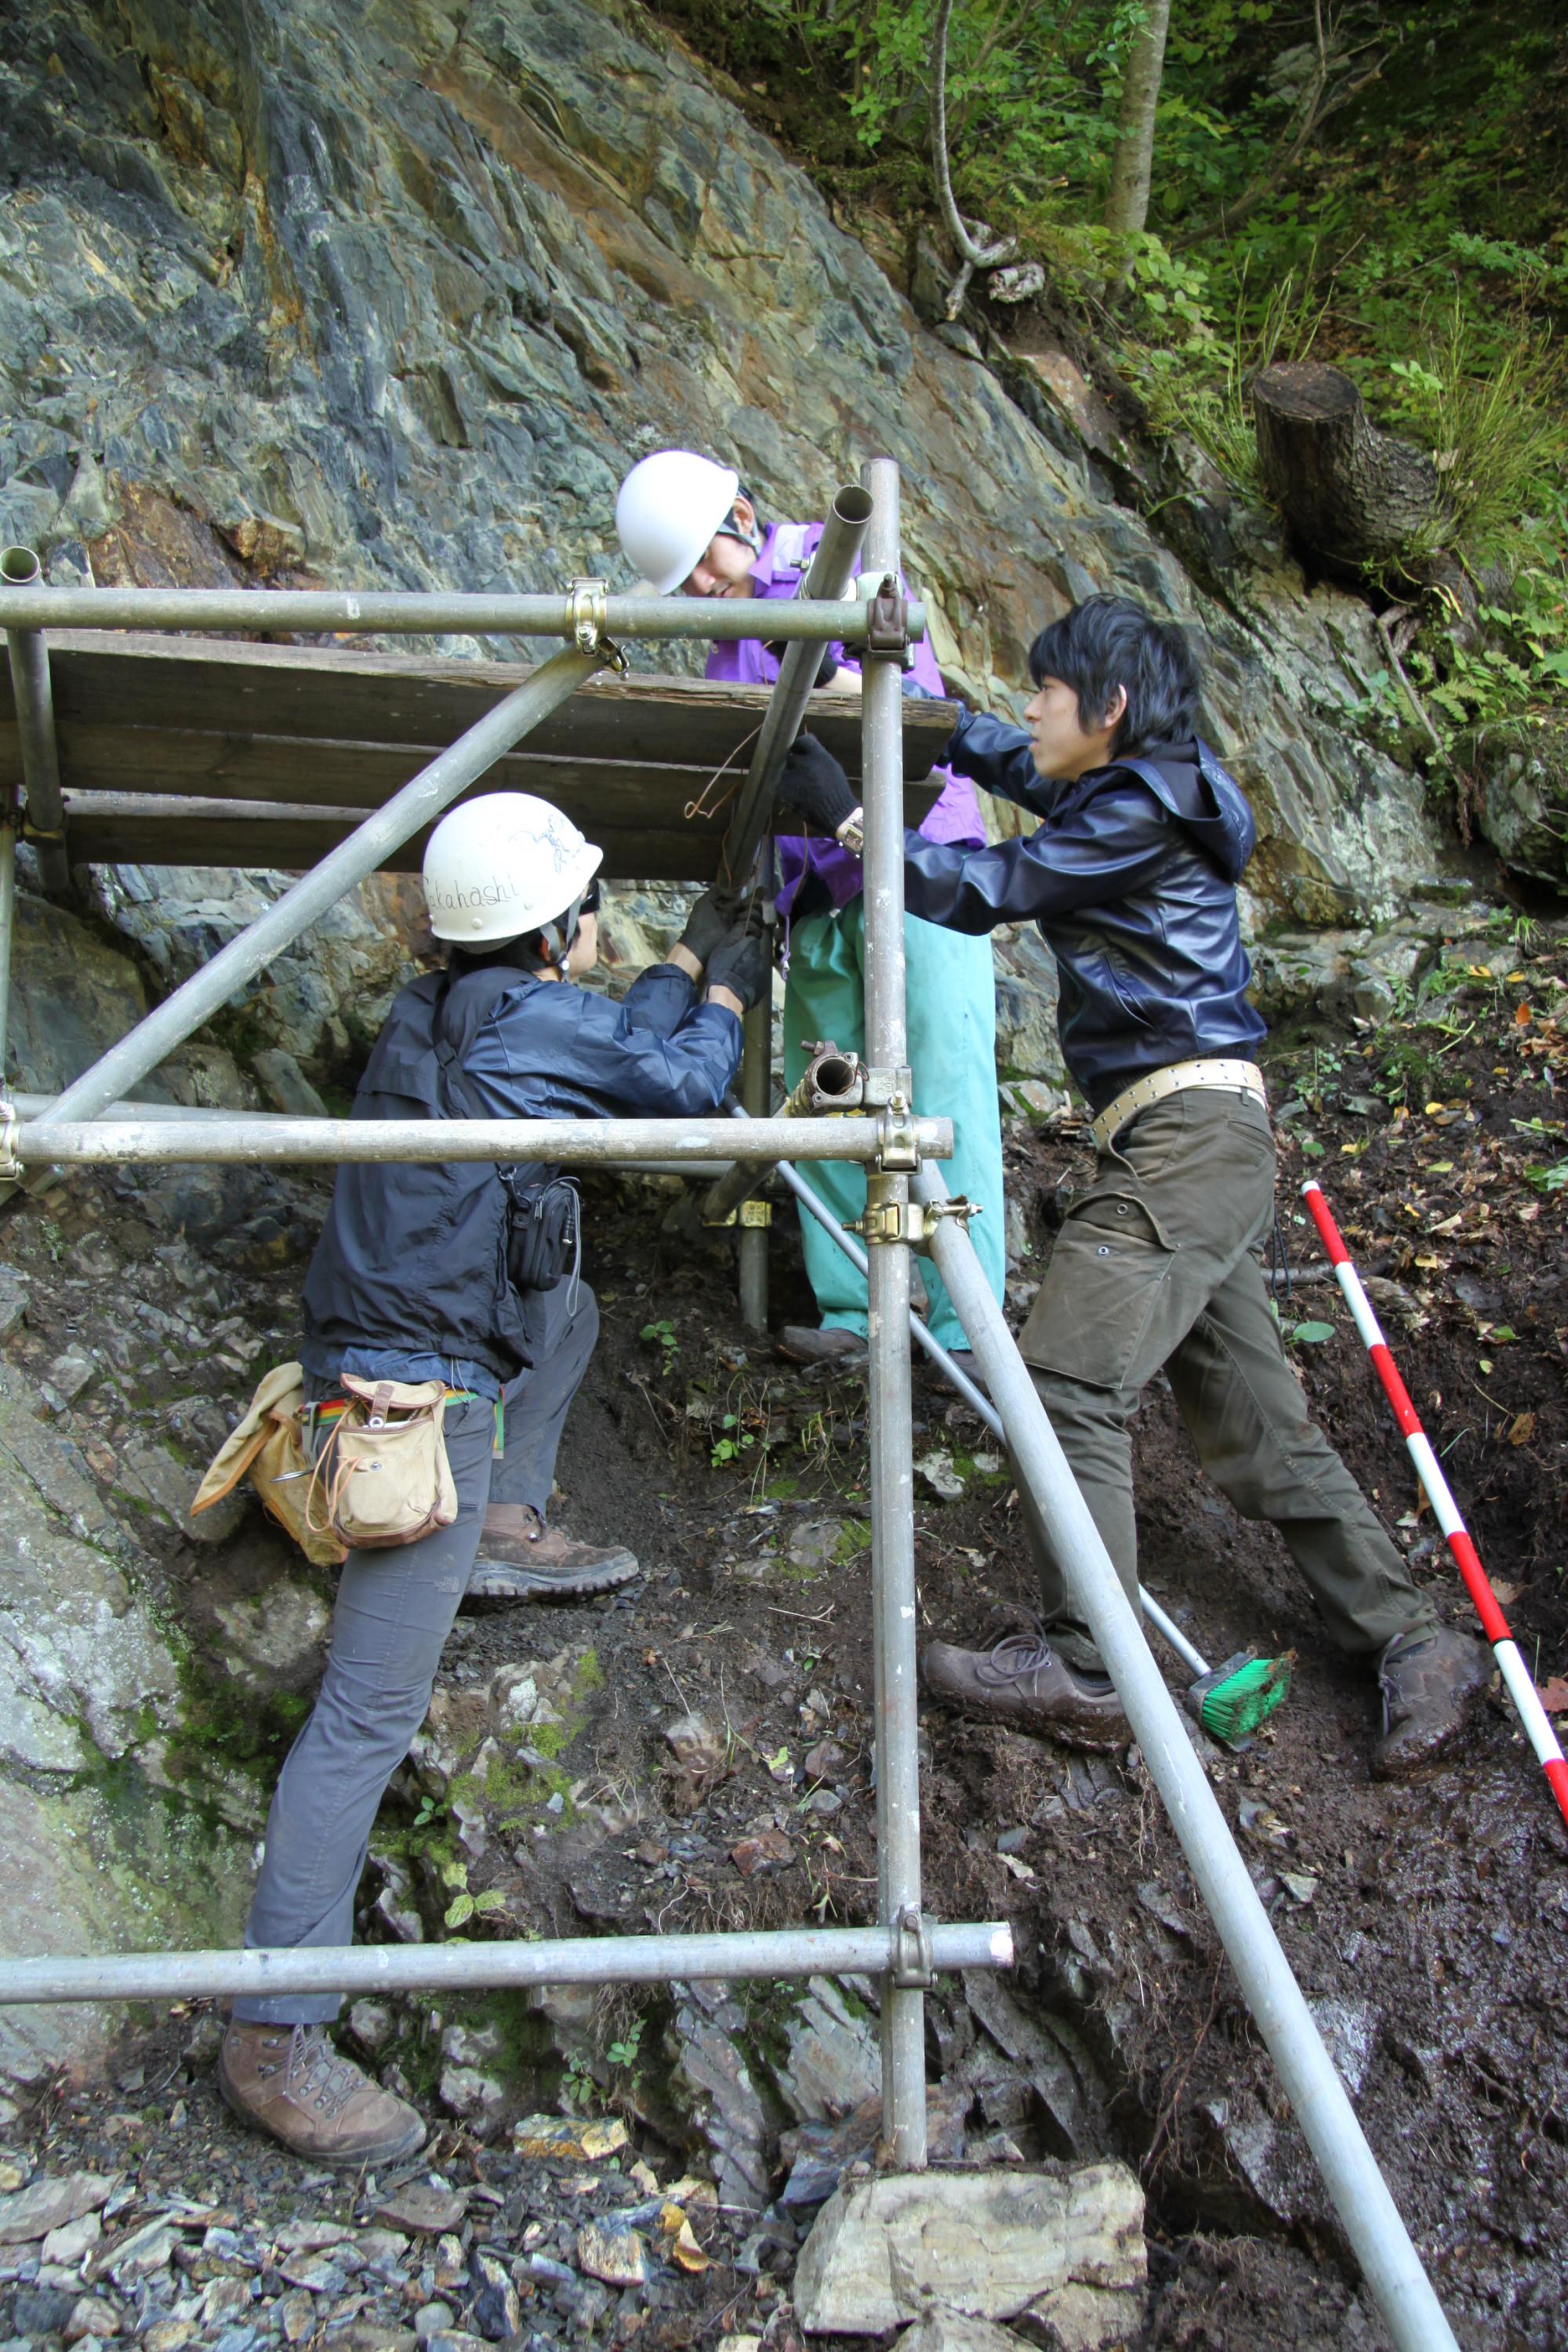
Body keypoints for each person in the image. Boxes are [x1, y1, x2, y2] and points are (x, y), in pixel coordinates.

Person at [771, 594, 1490, 1777]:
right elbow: (1015, 759)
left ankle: (1093, 1667)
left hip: (1183, 1140)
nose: (1034, 708)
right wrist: (917, 718)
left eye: (1051, 691)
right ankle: (1415, 1637)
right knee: (1261, 1427)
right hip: (1197, 1139)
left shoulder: (1136, 812)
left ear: (1107, 709)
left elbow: (986, 886)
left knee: (1058, 1376)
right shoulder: (1140, 790)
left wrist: (852, 821)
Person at [217, 793, 767, 2164]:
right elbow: (684, 1082)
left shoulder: (443, 1012)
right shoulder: (525, 1023)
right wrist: (734, 982)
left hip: (384, 1349)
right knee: (364, 1714)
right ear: (559, 926)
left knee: (567, 1300)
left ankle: (507, 1520)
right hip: (413, 1410)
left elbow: (610, 1033)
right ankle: (275, 2038)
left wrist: (685, 961)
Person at [615, 449, 1007, 1365]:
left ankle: (964, 1329)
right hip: (813, 895)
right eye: (684, 583)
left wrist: (791, 699)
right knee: (822, 1104)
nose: (705, 587)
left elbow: (899, 686)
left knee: (941, 1096)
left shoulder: (843, 561)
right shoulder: (722, 657)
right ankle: (856, 1318)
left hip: (914, 868)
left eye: (707, 562)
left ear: (741, 517)